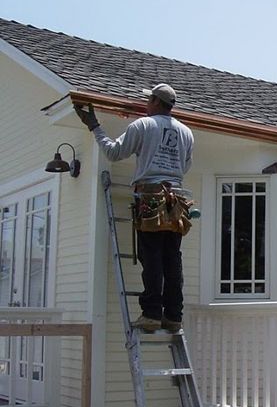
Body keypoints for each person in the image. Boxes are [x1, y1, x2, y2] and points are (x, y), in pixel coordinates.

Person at [74, 83, 194, 332]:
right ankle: (173, 316)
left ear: (157, 102)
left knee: (151, 256)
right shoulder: (186, 132)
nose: (146, 104)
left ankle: (151, 314)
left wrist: (94, 126)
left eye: (149, 100)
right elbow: (185, 167)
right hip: (176, 199)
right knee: (172, 258)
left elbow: (114, 153)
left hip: (151, 196)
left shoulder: (143, 125)